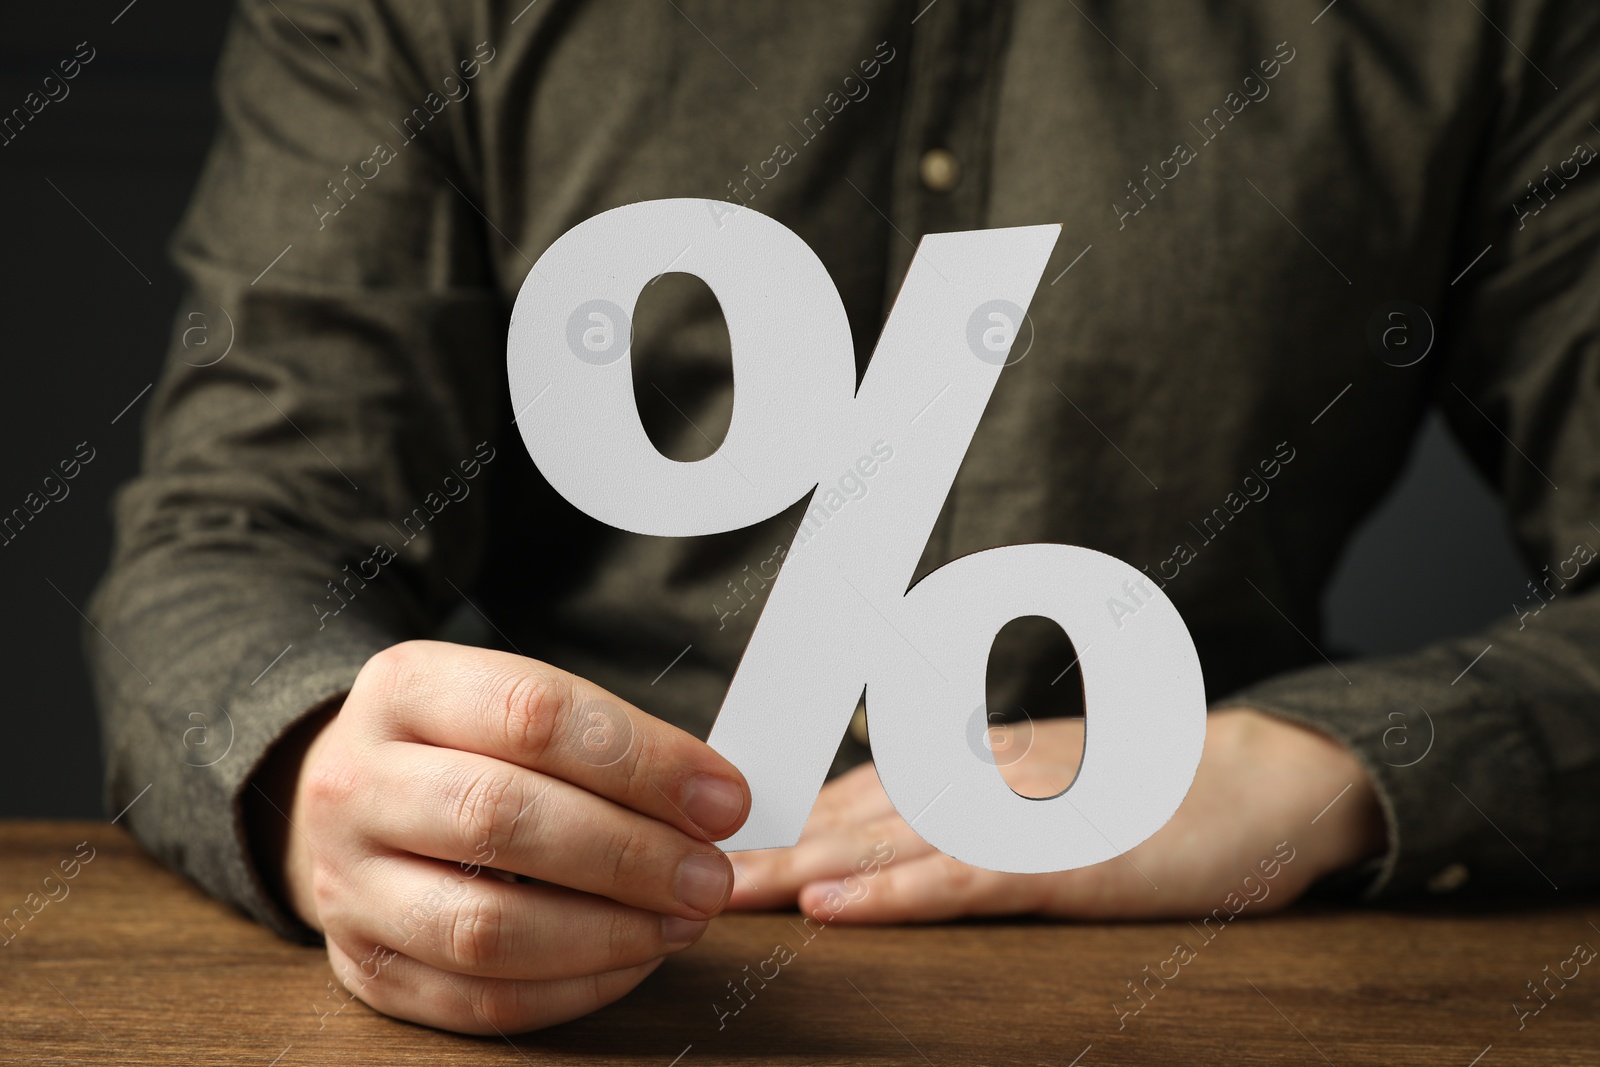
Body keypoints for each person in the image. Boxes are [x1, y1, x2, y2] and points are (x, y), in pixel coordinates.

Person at [87, 0, 1599, 1036]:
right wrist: (318, 777)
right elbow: (235, 536)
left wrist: (1317, 770)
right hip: (577, 965)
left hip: (1219, 961)